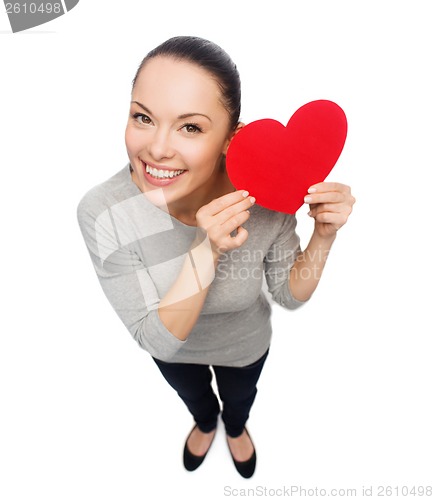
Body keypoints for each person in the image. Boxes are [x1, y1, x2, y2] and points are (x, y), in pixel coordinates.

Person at [76, 35, 355, 479]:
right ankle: (206, 422)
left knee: (240, 397)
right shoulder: (103, 211)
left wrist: (323, 236)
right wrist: (206, 248)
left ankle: (236, 426)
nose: (157, 148)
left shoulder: (266, 194)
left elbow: (289, 294)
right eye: (143, 117)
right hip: (176, 357)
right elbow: (157, 339)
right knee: (195, 399)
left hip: (245, 345)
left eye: (190, 127)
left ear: (230, 138)